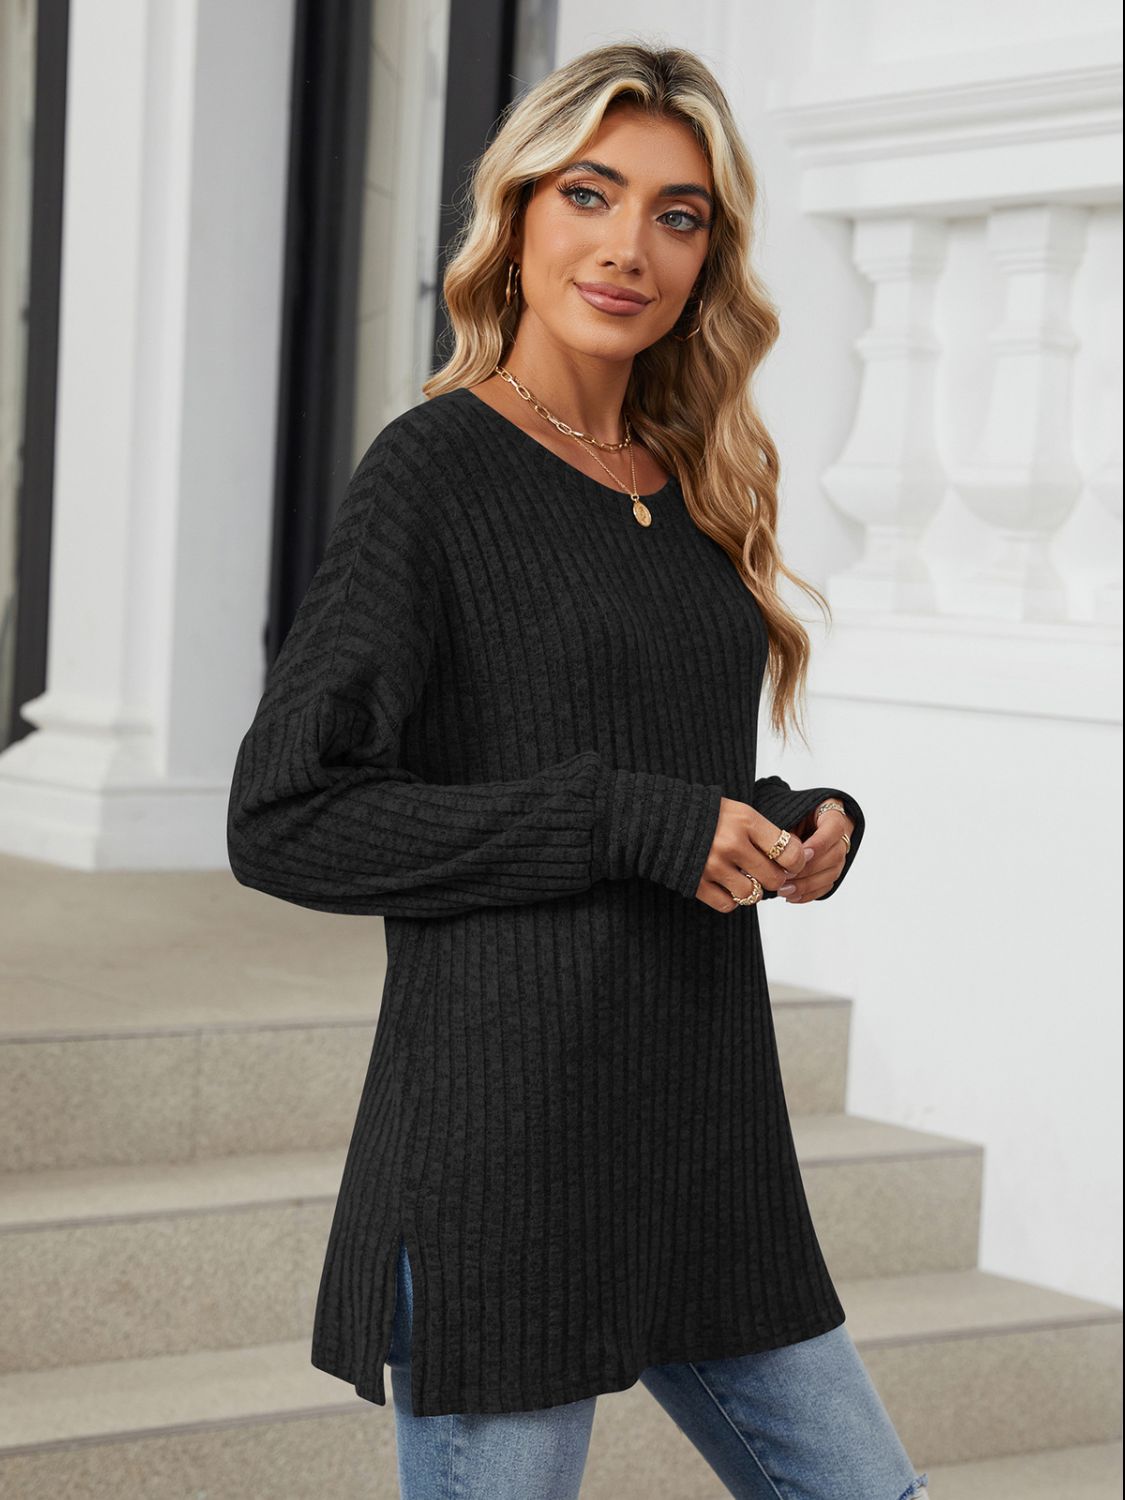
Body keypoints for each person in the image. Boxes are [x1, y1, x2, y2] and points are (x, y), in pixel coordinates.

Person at [226, 40, 929, 1500]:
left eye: (677, 215)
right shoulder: (432, 472)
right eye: (589, 194)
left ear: (709, 254)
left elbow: (658, 774)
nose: (627, 248)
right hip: (508, 1151)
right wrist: (629, 821)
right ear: (519, 213)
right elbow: (286, 813)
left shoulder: (692, 484)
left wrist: (793, 822)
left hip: (703, 1143)